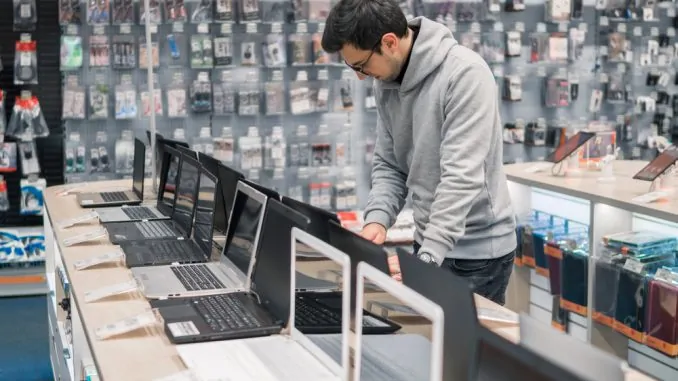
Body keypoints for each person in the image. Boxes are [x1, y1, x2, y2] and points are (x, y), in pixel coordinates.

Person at [322, 0, 517, 305]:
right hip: (429, 244)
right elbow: (389, 164)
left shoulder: (465, 74)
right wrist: (377, 220)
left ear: (389, 43)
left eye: (361, 66)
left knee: (461, 352)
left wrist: (426, 258)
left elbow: (461, 179)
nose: (361, 76)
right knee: (423, 345)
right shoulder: (385, 80)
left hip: (478, 253)